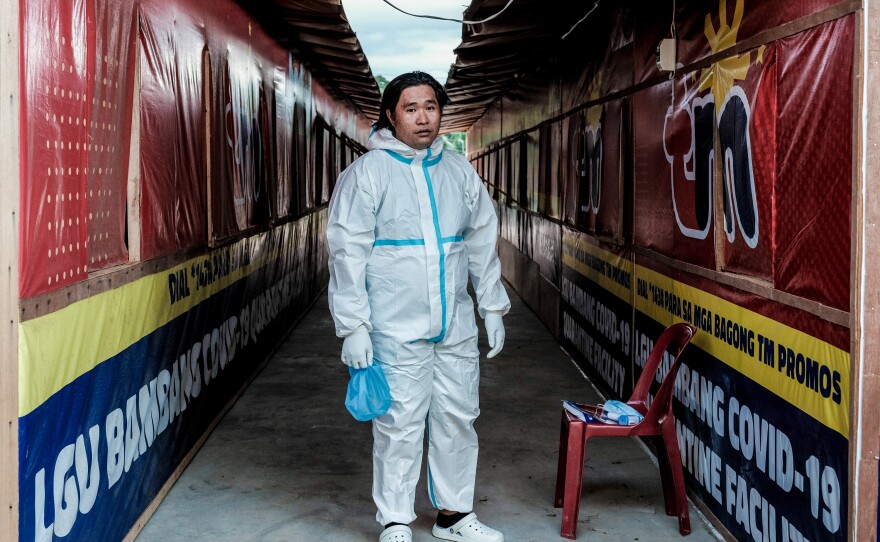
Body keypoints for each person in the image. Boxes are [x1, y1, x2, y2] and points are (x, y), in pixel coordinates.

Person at [327, 71, 510, 542]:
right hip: (394, 326)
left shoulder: (456, 171)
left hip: (454, 325)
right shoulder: (367, 175)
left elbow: (481, 237)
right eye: (411, 109)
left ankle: (453, 515)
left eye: (430, 107)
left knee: (457, 417)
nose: (423, 118)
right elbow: (347, 253)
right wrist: (354, 327)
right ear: (391, 115)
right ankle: (395, 519)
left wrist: (490, 304)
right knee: (399, 424)